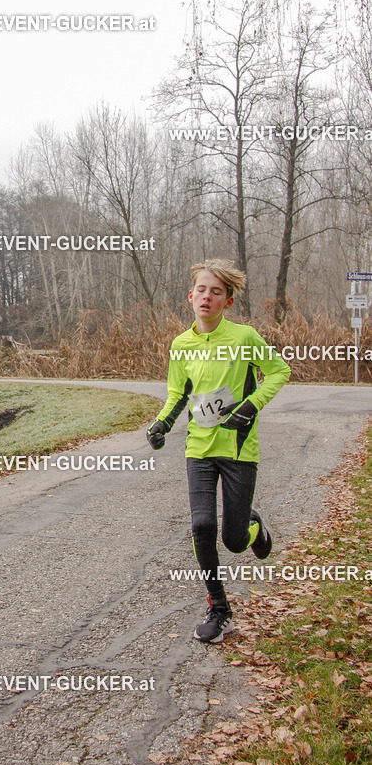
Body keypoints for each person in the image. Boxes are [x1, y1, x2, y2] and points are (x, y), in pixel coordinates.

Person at [146, 259, 290, 643]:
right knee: (202, 526)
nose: (207, 297)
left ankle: (253, 528)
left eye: (216, 291)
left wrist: (250, 407)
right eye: (202, 290)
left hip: (240, 450)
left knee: (234, 540)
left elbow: (279, 372)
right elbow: (178, 394)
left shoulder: (244, 338)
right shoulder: (181, 344)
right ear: (190, 296)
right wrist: (161, 424)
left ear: (227, 302)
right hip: (199, 449)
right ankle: (219, 606)